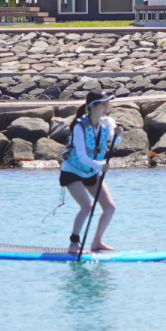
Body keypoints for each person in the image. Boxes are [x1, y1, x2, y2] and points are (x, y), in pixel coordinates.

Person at [60, 89, 121, 253]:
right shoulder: (79, 127)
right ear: (93, 107)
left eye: (107, 104)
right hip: (72, 171)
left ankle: (97, 242)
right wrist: (101, 166)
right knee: (87, 206)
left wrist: (116, 134)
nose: (106, 107)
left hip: (91, 172)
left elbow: (115, 138)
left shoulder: (107, 121)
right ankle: (74, 244)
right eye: (103, 104)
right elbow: (81, 157)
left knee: (110, 207)